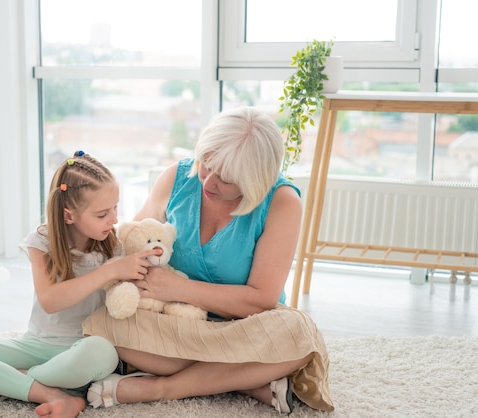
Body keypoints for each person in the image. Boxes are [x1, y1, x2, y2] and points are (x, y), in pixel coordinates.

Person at [36, 107, 335, 417]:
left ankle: (164, 387)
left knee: (300, 332)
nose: (209, 181)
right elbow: (132, 242)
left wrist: (178, 288)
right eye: (206, 163)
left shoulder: (282, 202)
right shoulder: (178, 177)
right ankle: (244, 380)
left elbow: (261, 299)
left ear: (256, 178)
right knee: (104, 323)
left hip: (245, 327)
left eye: (227, 179)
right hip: (175, 323)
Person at [0, 151, 161, 418]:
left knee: (103, 352)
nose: (114, 218)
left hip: (82, 349)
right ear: (69, 215)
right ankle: (52, 393)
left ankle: (14, 382)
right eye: (102, 214)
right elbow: (50, 301)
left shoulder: (115, 244)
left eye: (116, 207)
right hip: (36, 345)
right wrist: (108, 271)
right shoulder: (41, 242)